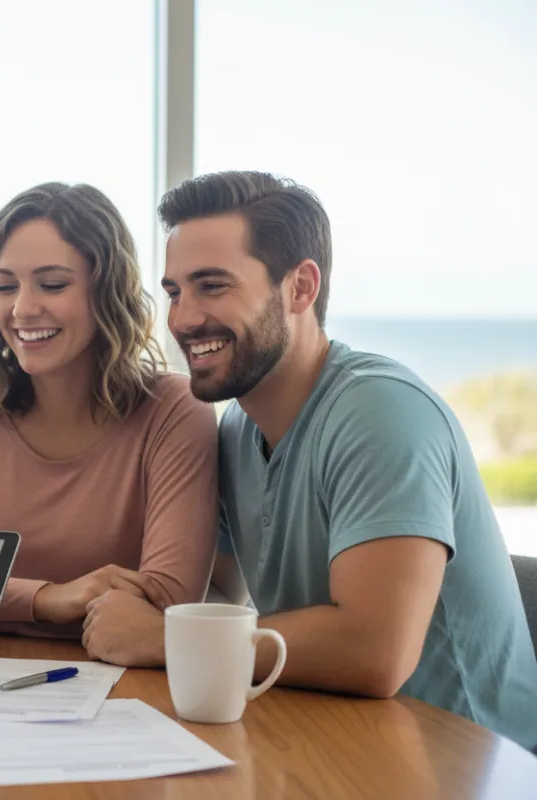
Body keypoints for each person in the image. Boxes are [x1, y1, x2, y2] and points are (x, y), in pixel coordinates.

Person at [82, 170, 537, 749]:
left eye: (213, 286)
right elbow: (219, 593)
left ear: (300, 288)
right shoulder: (239, 426)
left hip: (469, 760)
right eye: (175, 292)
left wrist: (163, 640)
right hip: (333, 739)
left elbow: (376, 652)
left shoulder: (381, 413)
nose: (183, 319)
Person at [0, 182, 220, 635]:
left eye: (53, 284)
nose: (21, 309)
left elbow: (167, 606)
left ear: (107, 292)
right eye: (4, 286)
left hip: (127, 674)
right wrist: (45, 598)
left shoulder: (174, 409)